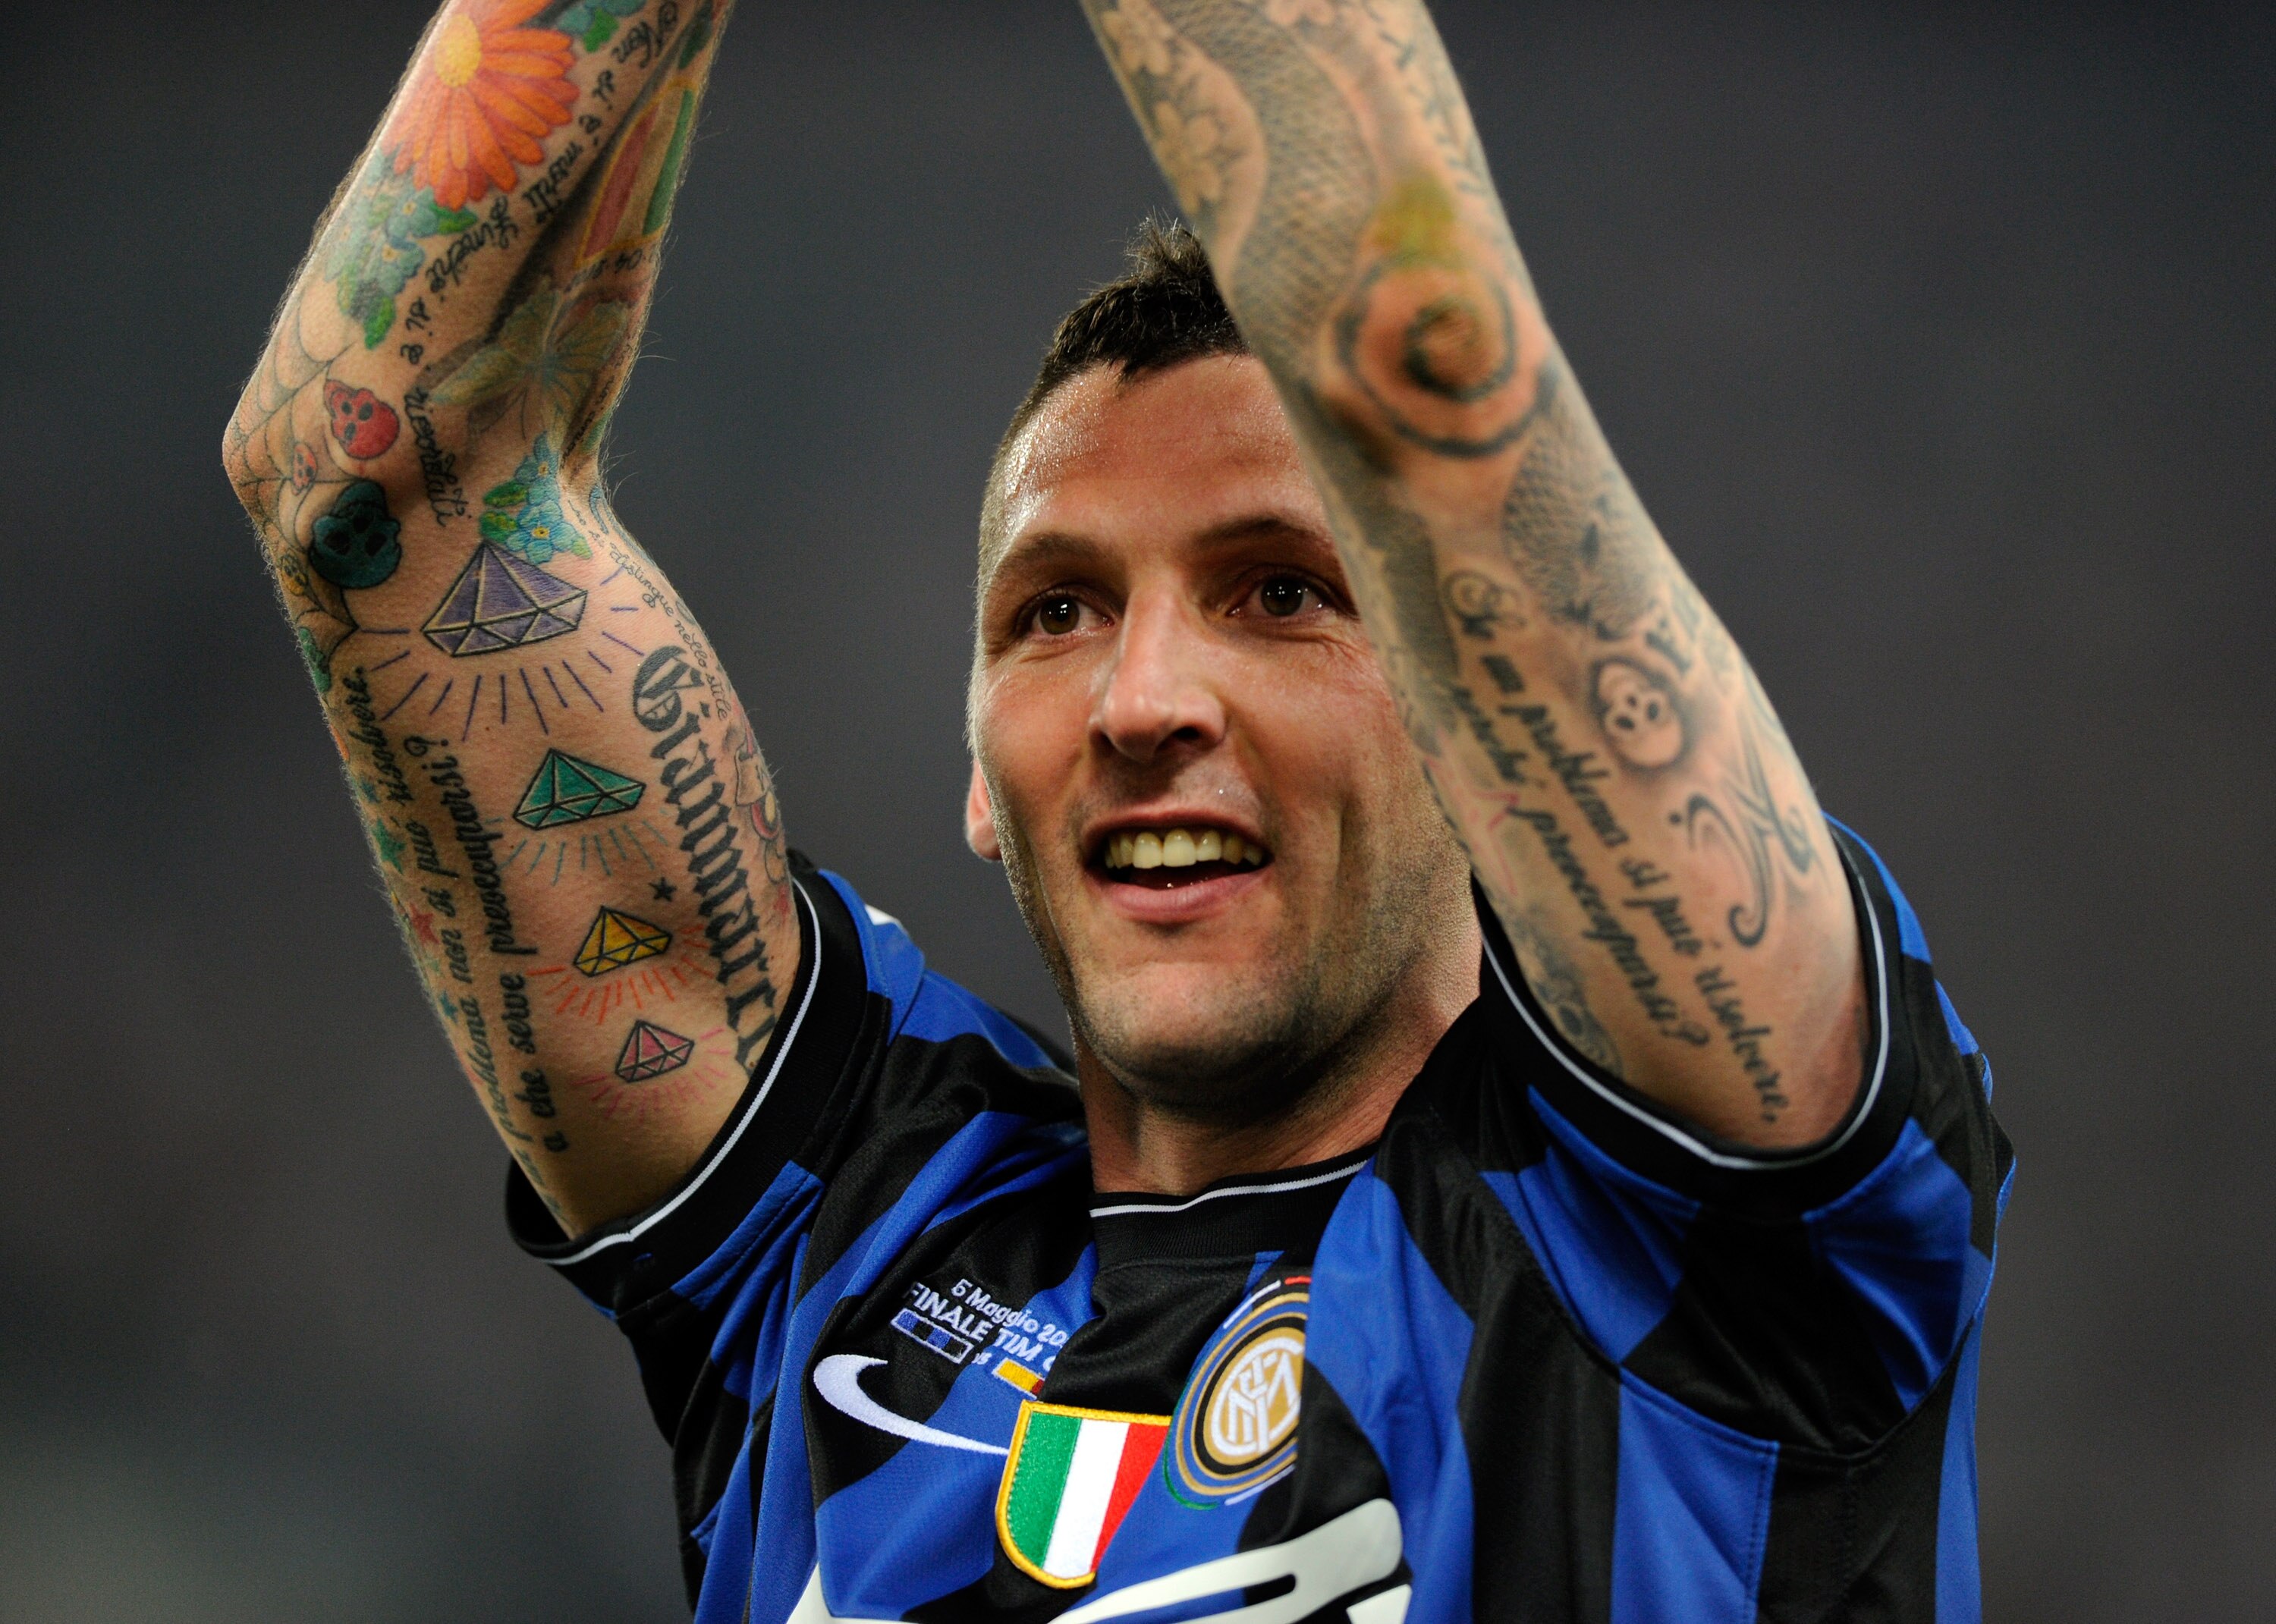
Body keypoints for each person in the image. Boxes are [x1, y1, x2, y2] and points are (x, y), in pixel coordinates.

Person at [224, 2, 2012, 1619]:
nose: (1145, 701)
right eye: (1056, 611)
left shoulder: (1696, 1227)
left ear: (1488, 723)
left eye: (1283, 591)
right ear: (982, 775)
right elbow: (370, 479)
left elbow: (1408, 343)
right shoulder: (842, 1240)